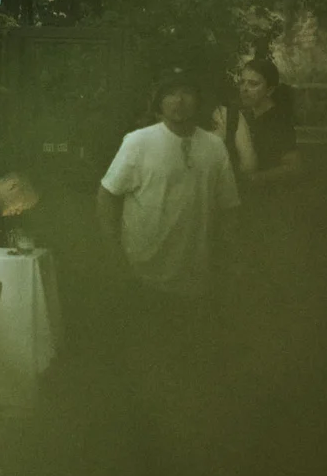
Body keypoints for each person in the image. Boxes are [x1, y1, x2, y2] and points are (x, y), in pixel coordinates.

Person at [97, 74, 240, 307]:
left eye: (186, 92)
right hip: (143, 274)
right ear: (159, 102)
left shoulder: (214, 146)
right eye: (170, 94)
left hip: (197, 276)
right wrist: (113, 252)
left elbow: (228, 208)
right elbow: (107, 195)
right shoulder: (138, 142)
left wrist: (232, 261)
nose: (179, 100)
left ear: (198, 100)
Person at [215, 57, 302, 189]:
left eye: (253, 84)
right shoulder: (244, 116)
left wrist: (254, 179)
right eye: (242, 82)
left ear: (270, 90)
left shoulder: (278, 122)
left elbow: (294, 167)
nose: (244, 89)